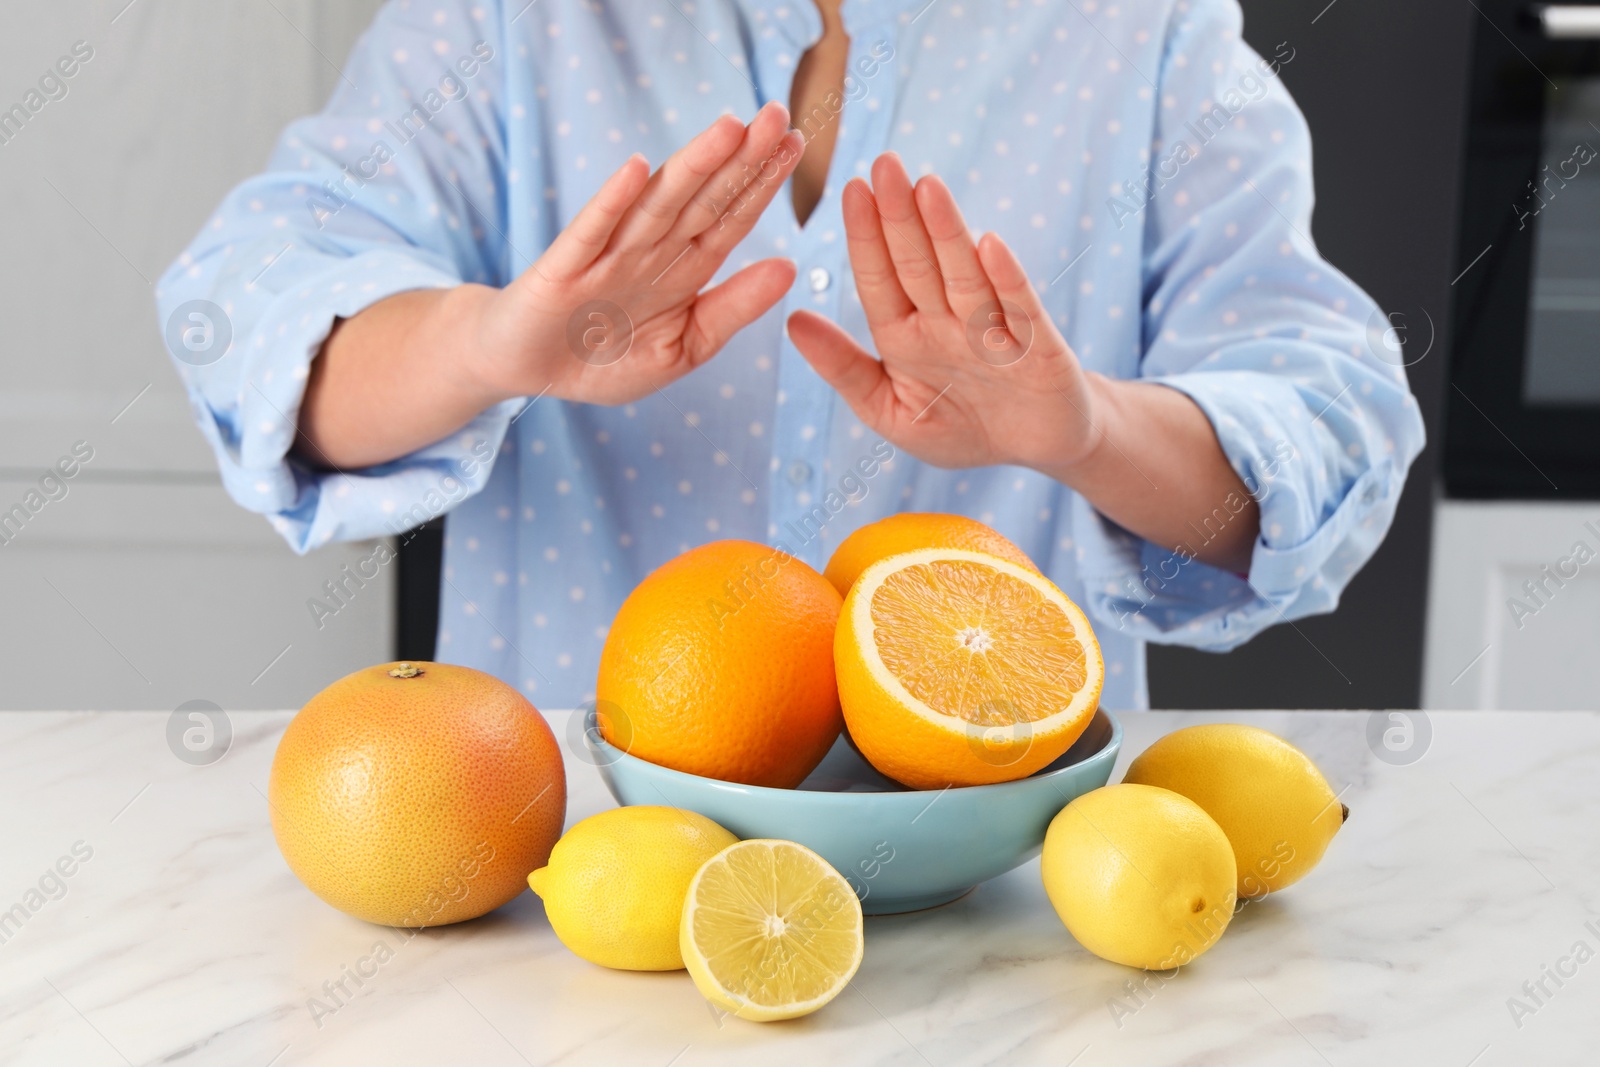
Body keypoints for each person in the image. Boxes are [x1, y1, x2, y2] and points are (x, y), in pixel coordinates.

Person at [157, 0, 1424, 711]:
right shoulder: (507, 19)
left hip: (1014, 897)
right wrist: (488, 341)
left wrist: (1084, 428)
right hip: (576, 884)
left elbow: (1324, 432)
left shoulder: (1144, 34)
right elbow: (258, 311)